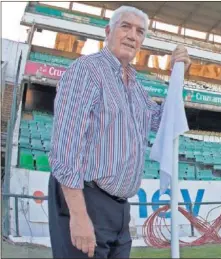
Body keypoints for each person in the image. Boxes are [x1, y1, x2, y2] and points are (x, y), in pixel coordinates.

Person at [48, 6, 191, 258]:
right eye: (125, 26)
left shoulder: (135, 87)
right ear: (108, 31)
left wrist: (178, 76)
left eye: (140, 32)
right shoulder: (87, 70)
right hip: (86, 199)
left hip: (119, 209)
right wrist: (79, 216)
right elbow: (66, 148)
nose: (132, 36)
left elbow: (163, 122)